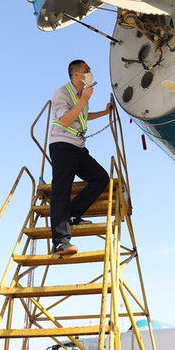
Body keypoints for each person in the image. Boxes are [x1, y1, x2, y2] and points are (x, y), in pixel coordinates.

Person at [49, 59, 113, 255]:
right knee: (61, 190)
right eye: (87, 70)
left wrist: (104, 112)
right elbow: (66, 120)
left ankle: (73, 214)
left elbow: (82, 115)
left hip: (78, 146)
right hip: (62, 145)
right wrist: (83, 100)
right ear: (76, 74)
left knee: (100, 178)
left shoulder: (80, 95)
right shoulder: (62, 93)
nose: (90, 72)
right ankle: (60, 241)